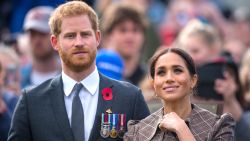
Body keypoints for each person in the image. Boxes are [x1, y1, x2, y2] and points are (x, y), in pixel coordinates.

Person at [8, 1, 150, 141]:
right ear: (55, 42)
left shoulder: (130, 98)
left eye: (85, 34)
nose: (79, 42)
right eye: (70, 36)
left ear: (98, 38)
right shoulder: (31, 102)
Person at [124, 47, 235, 141]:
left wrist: (182, 129)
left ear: (193, 80)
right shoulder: (137, 132)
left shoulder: (219, 126)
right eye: (161, 72)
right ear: (154, 84)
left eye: (177, 70)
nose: (169, 78)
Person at [101, 3, 148, 86]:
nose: (129, 36)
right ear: (109, 35)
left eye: (135, 30)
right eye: (123, 30)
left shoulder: (149, 78)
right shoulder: (96, 71)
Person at [20, 6, 61, 89]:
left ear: (56, 36)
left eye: (42, 33)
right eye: (32, 34)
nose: (37, 40)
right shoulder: (18, 77)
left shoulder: (71, 76)